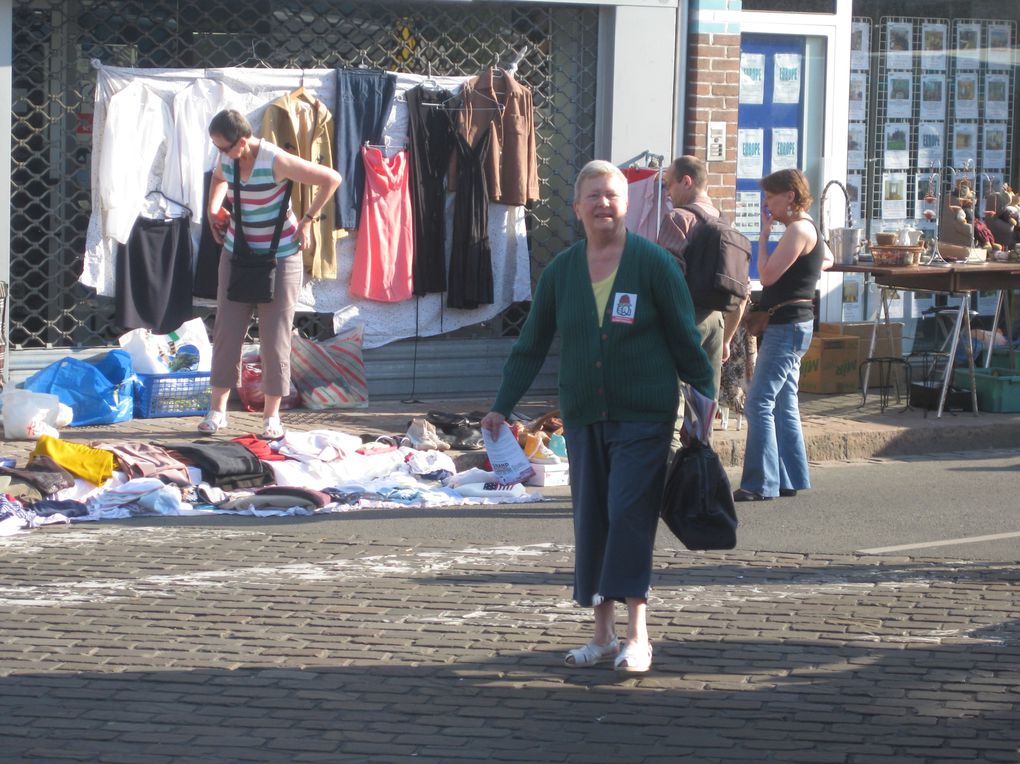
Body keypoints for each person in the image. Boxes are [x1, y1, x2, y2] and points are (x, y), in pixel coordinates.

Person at [480, 160, 715, 674]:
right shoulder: (562, 271)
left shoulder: (655, 265)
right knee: (593, 520)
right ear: (577, 207)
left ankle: (638, 636)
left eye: (612, 195)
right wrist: (502, 405)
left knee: (630, 515)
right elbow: (530, 345)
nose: (603, 204)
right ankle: (602, 634)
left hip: (645, 416)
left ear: (626, 204)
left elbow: (686, 343)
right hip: (585, 416)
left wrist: (704, 405)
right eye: (593, 196)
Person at [200, 109, 341, 439]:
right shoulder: (228, 161)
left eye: (224, 148)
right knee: (226, 333)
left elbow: (331, 179)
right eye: (216, 148)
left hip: (281, 258)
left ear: (244, 141)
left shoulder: (275, 159)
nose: (220, 155)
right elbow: (219, 179)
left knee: (275, 338)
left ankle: (271, 417)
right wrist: (212, 210)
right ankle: (217, 412)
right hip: (238, 254)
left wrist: (307, 220)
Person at [734, 169, 832, 502]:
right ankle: (791, 476)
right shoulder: (810, 228)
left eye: (771, 197)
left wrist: (763, 237)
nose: (767, 205)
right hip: (797, 323)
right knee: (784, 402)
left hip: (786, 326)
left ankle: (760, 483)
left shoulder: (797, 230)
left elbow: (768, 275)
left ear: (789, 196)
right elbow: (827, 258)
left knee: (758, 402)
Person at [657, 155, 748, 447]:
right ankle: (700, 472)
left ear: (687, 181)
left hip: (683, 318)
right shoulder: (726, 225)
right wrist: (726, 338)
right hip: (717, 323)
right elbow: (741, 292)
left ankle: (669, 475)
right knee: (704, 408)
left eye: (669, 185)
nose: (668, 194)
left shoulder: (677, 218)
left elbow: (667, 277)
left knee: (668, 401)